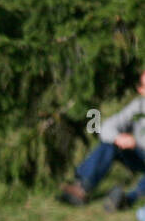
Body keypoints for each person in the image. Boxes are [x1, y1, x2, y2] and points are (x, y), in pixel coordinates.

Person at [60, 69, 145, 211]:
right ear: (141, 89)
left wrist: (137, 141)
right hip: (137, 155)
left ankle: (127, 199)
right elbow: (107, 127)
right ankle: (82, 187)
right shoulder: (138, 107)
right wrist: (119, 137)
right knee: (109, 144)